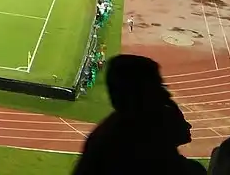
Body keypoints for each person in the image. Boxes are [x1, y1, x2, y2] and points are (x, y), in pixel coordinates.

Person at [73, 55, 203, 175]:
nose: (166, 95)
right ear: (140, 94)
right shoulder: (141, 144)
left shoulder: (106, 135)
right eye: (158, 86)